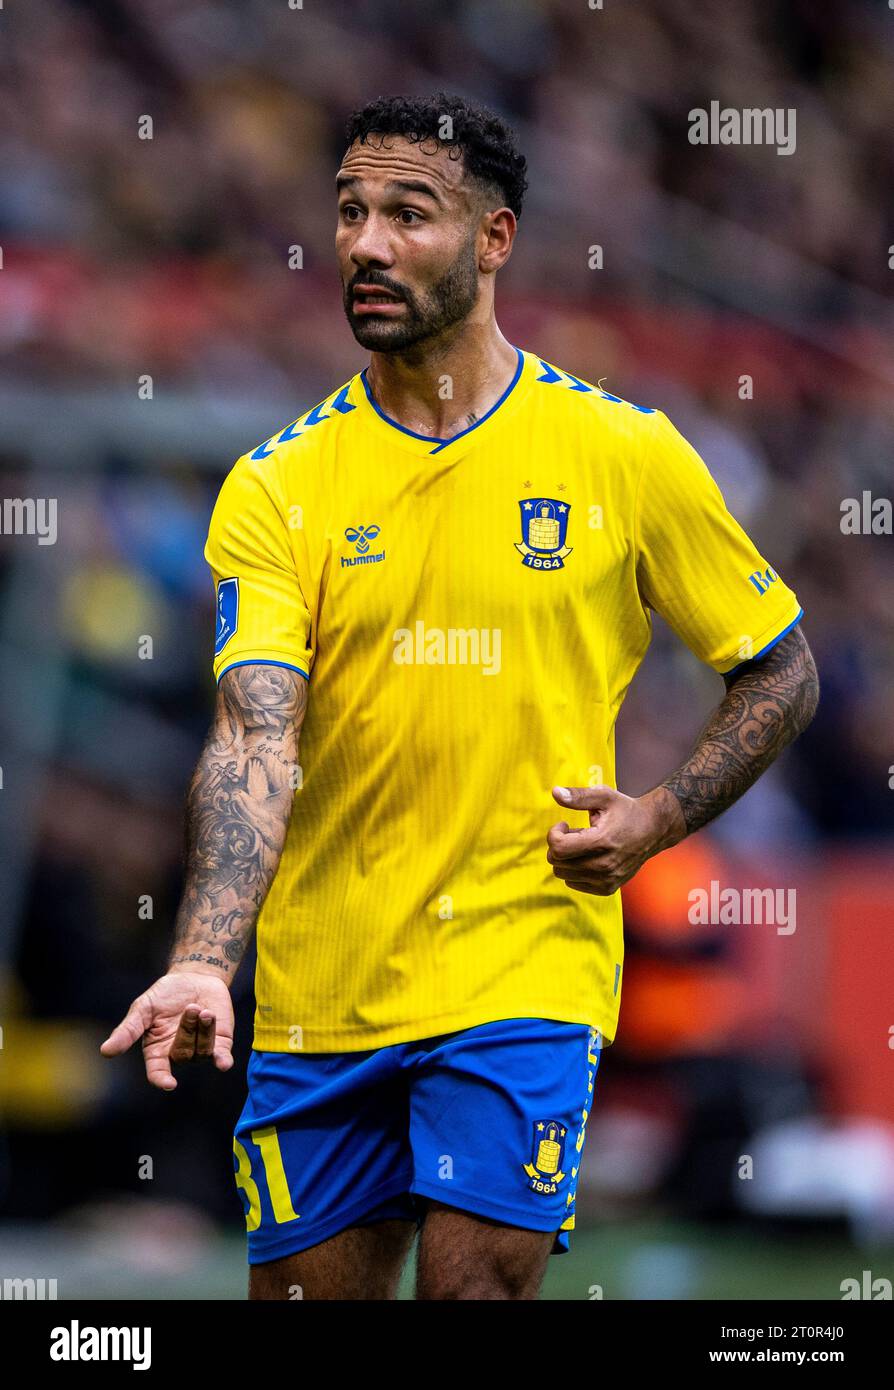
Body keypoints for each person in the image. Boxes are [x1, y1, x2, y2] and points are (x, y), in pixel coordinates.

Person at [101, 93, 819, 1300]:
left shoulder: (622, 455)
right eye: (349, 212)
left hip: (523, 962)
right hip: (325, 979)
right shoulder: (278, 488)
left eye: (407, 214)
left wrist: (659, 816)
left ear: (494, 241)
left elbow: (779, 664)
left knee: (474, 1291)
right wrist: (202, 959)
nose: (367, 244)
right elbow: (252, 735)